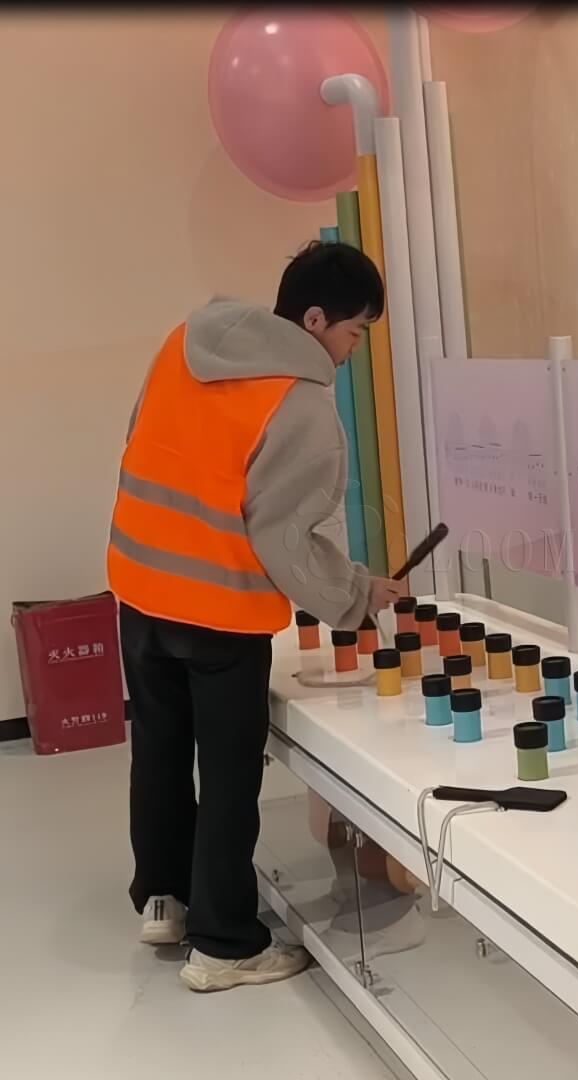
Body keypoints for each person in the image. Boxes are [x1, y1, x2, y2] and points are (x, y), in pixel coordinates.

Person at [107, 241, 403, 992]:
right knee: (231, 774)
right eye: (354, 332)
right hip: (217, 612)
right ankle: (225, 945)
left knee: (161, 753)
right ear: (314, 319)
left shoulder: (186, 340)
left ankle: (165, 900)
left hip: (138, 586)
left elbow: (139, 438)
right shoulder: (300, 403)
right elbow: (286, 540)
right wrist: (357, 595)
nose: (351, 350)